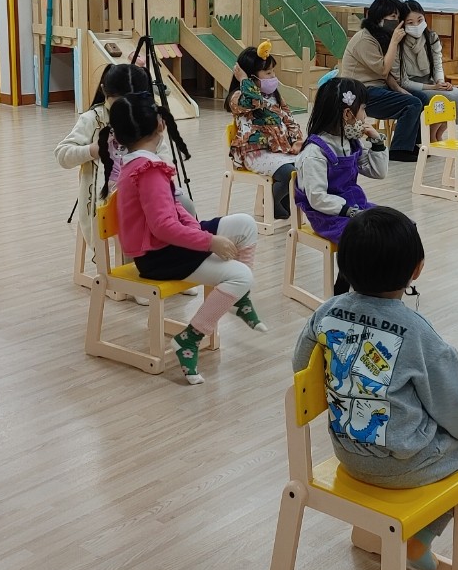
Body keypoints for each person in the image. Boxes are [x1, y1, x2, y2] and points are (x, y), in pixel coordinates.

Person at [292, 207, 458, 570]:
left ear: (343, 264)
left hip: (348, 455)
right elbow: (451, 403)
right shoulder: (417, 332)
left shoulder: (325, 313)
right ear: (417, 268)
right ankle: (420, 539)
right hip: (403, 466)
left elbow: (300, 367)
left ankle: (380, 534)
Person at [110, 91, 264, 385]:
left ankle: (238, 297)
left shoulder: (140, 163)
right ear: (160, 124)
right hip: (159, 257)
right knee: (241, 275)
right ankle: (190, 339)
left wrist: (199, 232)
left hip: (166, 246)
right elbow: (163, 228)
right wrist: (209, 242)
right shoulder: (147, 170)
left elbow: (174, 210)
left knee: (245, 225)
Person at [54, 62, 192, 250]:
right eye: (120, 102)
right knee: (139, 224)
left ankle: (170, 257)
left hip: (146, 192)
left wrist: (162, 172)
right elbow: (62, 154)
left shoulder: (143, 115)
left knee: (184, 207)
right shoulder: (93, 119)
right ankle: (141, 261)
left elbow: (163, 152)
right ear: (104, 91)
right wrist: (93, 150)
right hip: (108, 201)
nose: (126, 108)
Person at [295, 77, 389, 293]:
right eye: (363, 109)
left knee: (398, 227)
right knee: (367, 238)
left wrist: (377, 141)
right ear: (348, 114)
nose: (365, 115)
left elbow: (378, 172)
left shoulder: (350, 141)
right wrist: (349, 211)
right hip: (328, 216)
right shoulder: (315, 153)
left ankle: (375, 284)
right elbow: (317, 198)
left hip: (355, 208)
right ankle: (347, 287)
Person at [337, 0, 422, 161]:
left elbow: (385, 74)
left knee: (421, 98)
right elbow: (383, 70)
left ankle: (413, 144)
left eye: (398, 17)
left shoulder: (380, 36)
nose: (396, 21)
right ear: (379, 17)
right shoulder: (364, 39)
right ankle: (399, 150)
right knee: (412, 103)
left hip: (378, 87)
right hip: (360, 92)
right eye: (392, 16)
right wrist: (394, 43)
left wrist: (398, 88)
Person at [225, 41, 303, 218]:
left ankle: (282, 200)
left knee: (304, 167)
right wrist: (244, 81)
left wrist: (297, 140)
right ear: (251, 76)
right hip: (255, 153)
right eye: (268, 73)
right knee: (288, 173)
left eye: (273, 71)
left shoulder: (275, 96)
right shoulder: (238, 97)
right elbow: (254, 102)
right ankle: (271, 203)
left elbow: (289, 119)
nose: (273, 76)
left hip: (279, 151)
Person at [393, 0, 458, 142]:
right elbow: (403, 81)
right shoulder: (398, 43)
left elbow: (438, 65)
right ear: (402, 23)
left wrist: (441, 82)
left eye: (419, 20)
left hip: (430, 82)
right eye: (410, 22)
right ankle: (430, 137)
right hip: (411, 86)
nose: (416, 25)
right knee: (441, 100)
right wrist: (433, 87)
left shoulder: (431, 37)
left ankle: (437, 134)